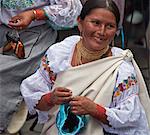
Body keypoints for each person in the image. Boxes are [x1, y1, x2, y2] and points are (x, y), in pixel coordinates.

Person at [21, 0, 150, 134]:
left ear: (116, 31)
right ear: (80, 23)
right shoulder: (58, 55)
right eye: (96, 23)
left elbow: (130, 118)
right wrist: (51, 98)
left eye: (110, 26)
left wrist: (95, 110)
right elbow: (33, 98)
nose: (102, 31)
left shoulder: (121, 68)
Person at [0, 0, 82, 132]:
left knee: (3, 72)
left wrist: (35, 14)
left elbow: (71, 9)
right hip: (3, 29)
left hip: (34, 33)